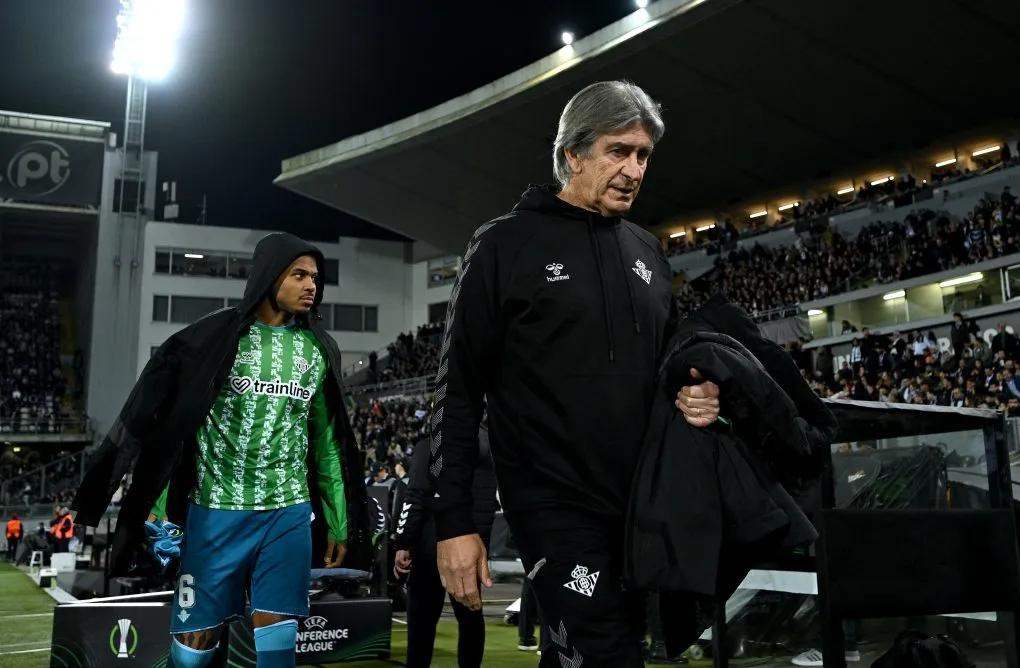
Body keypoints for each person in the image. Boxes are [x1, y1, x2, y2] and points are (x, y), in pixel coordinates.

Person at [429, 80, 721, 667]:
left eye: (643, 156)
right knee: (606, 652)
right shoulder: (503, 245)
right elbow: (457, 393)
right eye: (618, 151)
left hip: (640, 505)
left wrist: (699, 393)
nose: (633, 169)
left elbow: (668, 373)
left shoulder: (649, 253)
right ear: (573, 154)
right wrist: (454, 524)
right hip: (555, 509)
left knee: (589, 652)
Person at [71, 233, 370, 668]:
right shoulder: (213, 339)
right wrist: (156, 504)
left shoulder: (318, 350)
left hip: (287, 513)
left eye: (315, 278)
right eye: (299, 275)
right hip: (215, 512)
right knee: (195, 646)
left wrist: (340, 521)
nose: (312, 286)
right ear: (270, 278)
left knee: (278, 633)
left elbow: (326, 444)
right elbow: (173, 430)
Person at [393, 416, 497, 668]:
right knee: (471, 619)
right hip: (472, 546)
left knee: (421, 626)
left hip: (432, 546)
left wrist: (403, 542)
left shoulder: (429, 445)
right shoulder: (489, 447)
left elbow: (414, 495)